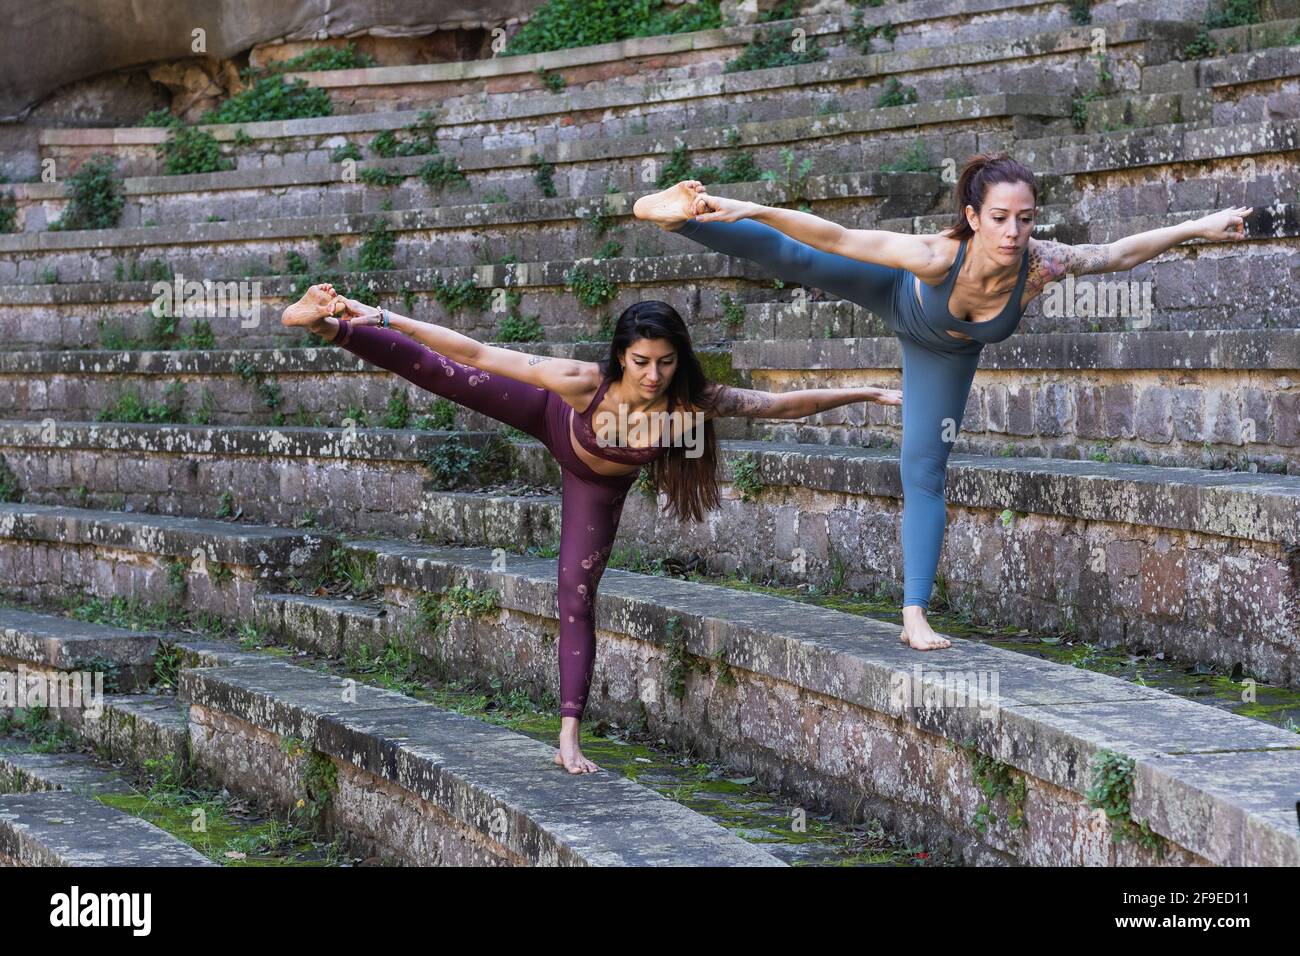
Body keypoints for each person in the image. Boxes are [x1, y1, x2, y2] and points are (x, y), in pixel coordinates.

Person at [634, 152, 1251, 651]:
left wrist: (1199, 225)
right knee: (803, 258)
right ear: (974, 216)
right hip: (899, 295)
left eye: (1026, 218)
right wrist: (754, 207)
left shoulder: (1041, 264)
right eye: (1001, 217)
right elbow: (838, 234)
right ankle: (679, 215)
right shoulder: (934, 254)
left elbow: (1118, 255)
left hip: (947, 355)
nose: (1015, 231)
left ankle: (913, 613)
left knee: (925, 469)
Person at [281, 285, 902, 772]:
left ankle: (568, 734)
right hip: (552, 418)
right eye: (640, 362)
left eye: (664, 362)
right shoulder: (583, 383)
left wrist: (864, 394)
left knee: (576, 595)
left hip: (595, 485)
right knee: (452, 376)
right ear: (619, 357)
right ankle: (329, 326)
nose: (652, 375)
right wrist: (377, 316)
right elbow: (472, 350)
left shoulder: (690, 405)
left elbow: (779, 405)